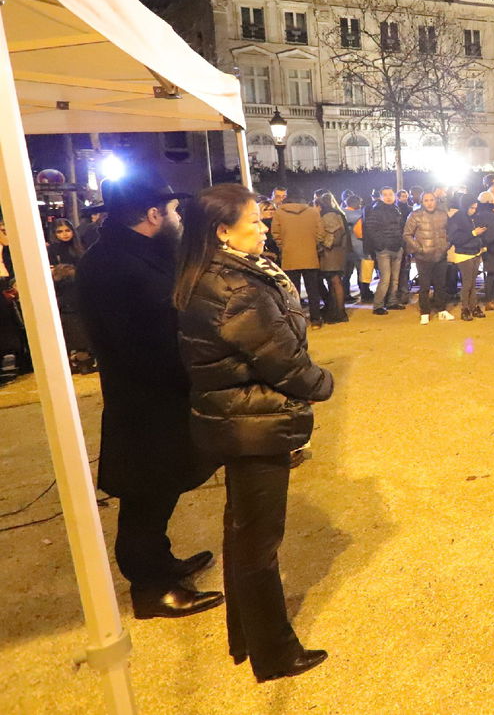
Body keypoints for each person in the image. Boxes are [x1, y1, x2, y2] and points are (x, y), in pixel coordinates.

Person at [174, 184, 331, 682]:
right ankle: (275, 653)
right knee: (259, 543)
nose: (264, 227)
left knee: (244, 532)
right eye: (254, 220)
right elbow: (281, 358)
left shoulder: (224, 272)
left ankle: (247, 638)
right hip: (251, 420)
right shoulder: (234, 286)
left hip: (240, 415)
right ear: (223, 231)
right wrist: (321, 383)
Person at [75, 172, 222, 619]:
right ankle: (150, 588)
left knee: (159, 489)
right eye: (174, 211)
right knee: (146, 494)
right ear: (153, 215)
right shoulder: (115, 263)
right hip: (145, 401)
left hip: (158, 396)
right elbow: (140, 337)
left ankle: (160, 562)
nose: (178, 217)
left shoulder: (136, 252)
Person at [46, 218, 95, 373]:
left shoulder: (80, 247)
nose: (64, 234)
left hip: (80, 291)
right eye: (59, 231)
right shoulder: (51, 250)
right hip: (63, 294)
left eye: (67, 230)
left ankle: (85, 357)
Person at [270, 188, 324, 326]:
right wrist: (313, 245)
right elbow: (320, 233)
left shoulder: (279, 212)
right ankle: (316, 319)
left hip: (289, 255)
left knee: (293, 291)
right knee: (313, 289)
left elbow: (276, 234)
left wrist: (284, 247)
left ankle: (297, 320)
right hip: (310, 255)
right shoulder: (313, 212)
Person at [403, 190, 453, 323]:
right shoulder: (415, 215)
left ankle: (441, 309)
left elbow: (450, 232)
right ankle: (424, 312)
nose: (429, 203)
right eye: (426, 200)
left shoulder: (443, 214)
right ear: (422, 202)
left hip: (440, 254)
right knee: (424, 286)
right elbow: (407, 234)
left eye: (431, 200)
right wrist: (419, 249)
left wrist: (446, 245)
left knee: (440, 284)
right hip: (423, 257)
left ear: (436, 201)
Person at [363, 187, 406, 316]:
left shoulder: (396, 209)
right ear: (381, 197)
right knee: (385, 278)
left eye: (390, 194)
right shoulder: (376, 210)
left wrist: (401, 244)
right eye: (385, 195)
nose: (388, 197)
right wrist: (380, 244)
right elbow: (371, 229)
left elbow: (401, 228)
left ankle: (392, 301)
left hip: (397, 247)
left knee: (395, 278)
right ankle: (378, 305)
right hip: (384, 249)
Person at [0, 218, 33, 380]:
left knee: (20, 324)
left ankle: (24, 359)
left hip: (12, 286)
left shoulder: (14, 249)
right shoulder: (5, 249)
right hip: (5, 286)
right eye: (3, 231)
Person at [447, 195, 488, 319]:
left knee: (472, 283)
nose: (474, 210)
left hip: (475, 252)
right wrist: (474, 233)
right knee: (467, 283)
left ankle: (473, 306)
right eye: (471, 207)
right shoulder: (457, 218)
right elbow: (455, 238)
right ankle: (465, 308)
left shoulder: (472, 218)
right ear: (465, 206)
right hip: (463, 254)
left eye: (475, 208)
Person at [315, 193, 349, 324]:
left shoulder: (328, 215)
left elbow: (334, 234)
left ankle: (339, 313)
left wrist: (323, 245)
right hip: (338, 252)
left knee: (335, 281)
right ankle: (336, 311)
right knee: (334, 282)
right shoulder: (337, 213)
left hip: (331, 253)